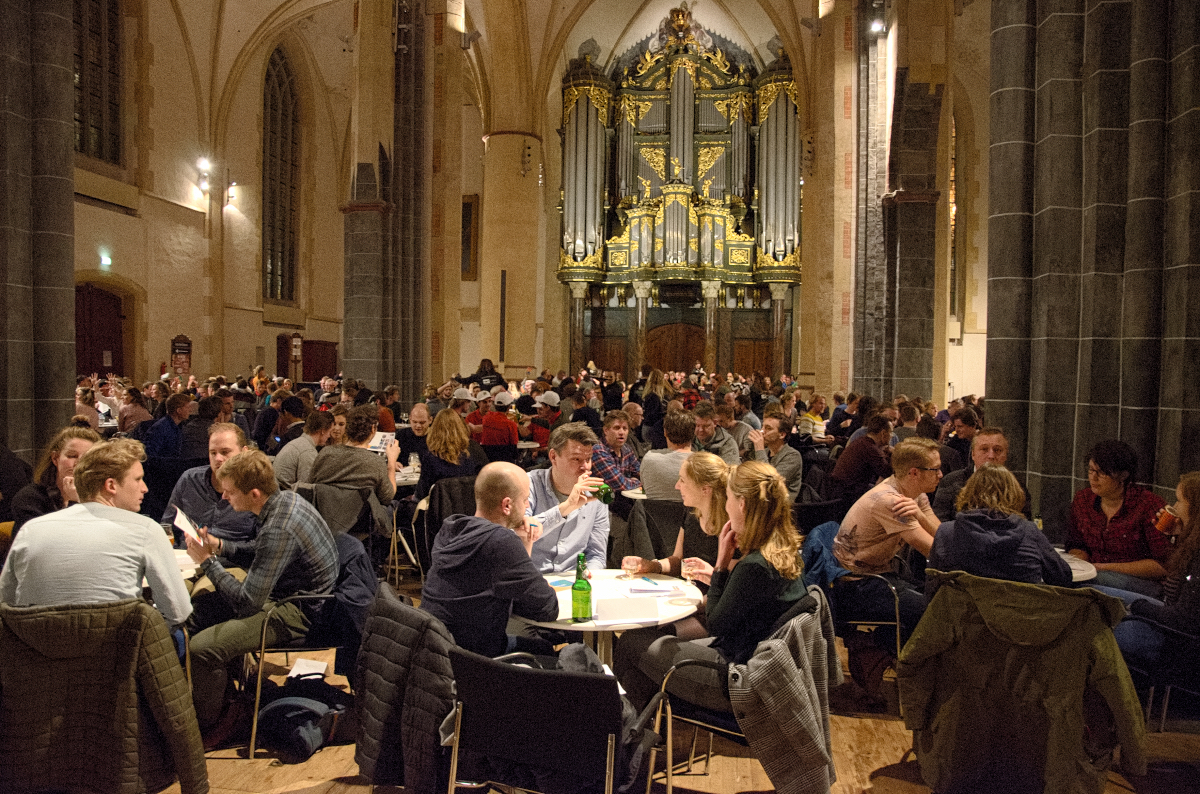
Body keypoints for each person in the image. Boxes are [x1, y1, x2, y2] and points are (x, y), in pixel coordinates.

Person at [614, 461, 806, 712]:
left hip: (737, 678)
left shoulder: (754, 566)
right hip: (762, 666)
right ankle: (638, 723)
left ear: (742, 505)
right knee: (644, 648)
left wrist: (720, 566)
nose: (725, 505)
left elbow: (715, 623)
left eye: (727, 498)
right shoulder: (779, 550)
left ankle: (622, 726)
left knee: (630, 641)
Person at [183, 450, 338, 740]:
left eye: (230, 492)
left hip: (300, 611)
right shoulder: (285, 500)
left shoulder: (280, 526)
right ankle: (226, 697)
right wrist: (220, 546)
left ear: (254, 493)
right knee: (203, 606)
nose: (225, 498)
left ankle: (207, 728)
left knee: (202, 649)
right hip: (291, 593)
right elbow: (262, 550)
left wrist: (207, 562)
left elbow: (246, 602)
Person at [1, 438, 192, 629]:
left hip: (38, 652)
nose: (145, 488)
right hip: (119, 654)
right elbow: (178, 612)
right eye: (138, 479)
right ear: (111, 486)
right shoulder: (146, 530)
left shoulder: (30, 530)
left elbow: (5, 602)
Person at [419, 462, 559, 657]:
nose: (527, 506)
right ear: (507, 505)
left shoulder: (452, 529)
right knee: (546, 653)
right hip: (472, 661)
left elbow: (515, 586)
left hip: (434, 651)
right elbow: (547, 607)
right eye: (525, 499)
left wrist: (525, 539)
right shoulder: (500, 542)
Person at [832, 437, 943, 670]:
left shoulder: (914, 494)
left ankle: (891, 656)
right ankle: (880, 652)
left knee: (938, 600)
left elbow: (941, 534)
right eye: (935, 469)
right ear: (914, 472)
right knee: (931, 610)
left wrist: (922, 518)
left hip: (881, 576)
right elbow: (933, 550)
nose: (941, 474)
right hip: (856, 587)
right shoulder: (890, 501)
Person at [1103, 471, 1200, 672]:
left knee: (1092, 626)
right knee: (1090, 589)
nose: (1173, 507)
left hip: (1178, 643)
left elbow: (1183, 620)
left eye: (1179, 501)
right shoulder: (1193, 543)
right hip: (1168, 617)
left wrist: (1139, 606)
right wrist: (1176, 537)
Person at [927, 465, 1071, 595]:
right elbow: (1062, 578)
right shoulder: (1029, 532)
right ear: (1014, 494)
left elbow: (933, 588)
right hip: (1020, 620)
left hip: (964, 621)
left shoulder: (946, 533)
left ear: (968, 492)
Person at [1065, 439, 1170, 598]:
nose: (1093, 478)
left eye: (1101, 472)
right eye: (1090, 470)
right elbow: (1077, 544)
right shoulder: (1083, 500)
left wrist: (1103, 567)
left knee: (1081, 585)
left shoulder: (1149, 505)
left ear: (1123, 475)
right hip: (1094, 573)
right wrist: (1077, 562)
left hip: (1140, 582)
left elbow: (1162, 565)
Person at [621, 451, 729, 580]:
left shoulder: (730, 527)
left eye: (682, 481)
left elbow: (730, 585)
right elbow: (678, 560)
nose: (677, 486)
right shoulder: (691, 513)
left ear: (705, 489)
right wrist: (653, 566)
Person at [526, 422, 609, 572]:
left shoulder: (595, 495)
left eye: (588, 459)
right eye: (576, 459)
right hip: (532, 580)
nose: (585, 467)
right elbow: (518, 534)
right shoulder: (528, 484)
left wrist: (588, 577)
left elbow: (596, 554)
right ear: (553, 456)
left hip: (572, 581)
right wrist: (566, 507)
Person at [161, 423, 259, 548]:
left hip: (231, 564)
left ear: (244, 452)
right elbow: (167, 526)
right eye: (213, 453)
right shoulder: (190, 479)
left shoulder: (257, 487)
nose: (218, 458)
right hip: (187, 559)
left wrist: (221, 546)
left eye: (225, 452)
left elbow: (262, 545)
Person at [309, 404, 400, 528]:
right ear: (373, 429)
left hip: (324, 521)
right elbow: (387, 497)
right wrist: (391, 462)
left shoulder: (325, 453)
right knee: (395, 506)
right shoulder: (374, 461)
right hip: (359, 524)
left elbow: (311, 484)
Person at [9, 426, 102, 536]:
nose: (79, 463)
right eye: (72, 456)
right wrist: (76, 503)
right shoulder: (29, 499)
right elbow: (54, 543)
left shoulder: (103, 496)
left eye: (87, 457)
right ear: (55, 458)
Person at [931, 427, 1028, 521]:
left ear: (1006, 454)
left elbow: (1025, 522)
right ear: (973, 454)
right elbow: (940, 522)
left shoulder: (1017, 485)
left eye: (997, 450)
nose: (991, 456)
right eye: (984, 449)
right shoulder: (952, 481)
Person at [827, 414, 894, 506]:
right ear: (883, 433)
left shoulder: (861, 441)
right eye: (891, 432)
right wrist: (895, 454)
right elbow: (887, 472)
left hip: (838, 491)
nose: (892, 436)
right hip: (848, 496)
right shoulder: (870, 448)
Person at [416, 408, 479, 500]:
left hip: (438, 509)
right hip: (466, 507)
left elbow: (422, 493)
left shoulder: (431, 458)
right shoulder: (470, 455)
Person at [639, 410, 696, 501]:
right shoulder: (703, 463)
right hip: (693, 514)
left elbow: (644, 488)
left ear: (665, 432)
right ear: (694, 432)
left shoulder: (649, 459)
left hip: (654, 514)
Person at [749, 412, 804, 502]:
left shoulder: (793, 456)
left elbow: (771, 484)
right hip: (761, 501)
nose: (762, 432)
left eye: (768, 428)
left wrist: (759, 449)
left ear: (782, 434)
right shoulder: (765, 452)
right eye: (762, 427)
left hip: (780, 506)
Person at [273, 410, 334, 489]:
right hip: (286, 494)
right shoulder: (307, 451)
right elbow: (305, 488)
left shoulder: (299, 443)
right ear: (323, 431)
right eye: (330, 431)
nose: (329, 435)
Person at [143, 392, 192, 458]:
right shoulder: (160, 428)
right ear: (179, 410)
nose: (190, 410)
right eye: (188, 407)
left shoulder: (178, 425)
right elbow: (150, 455)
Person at [692, 401, 740, 465]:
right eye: (697, 425)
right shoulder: (687, 439)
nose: (701, 430)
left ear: (715, 423)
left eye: (706, 426)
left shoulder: (727, 443)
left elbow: (730, 471)